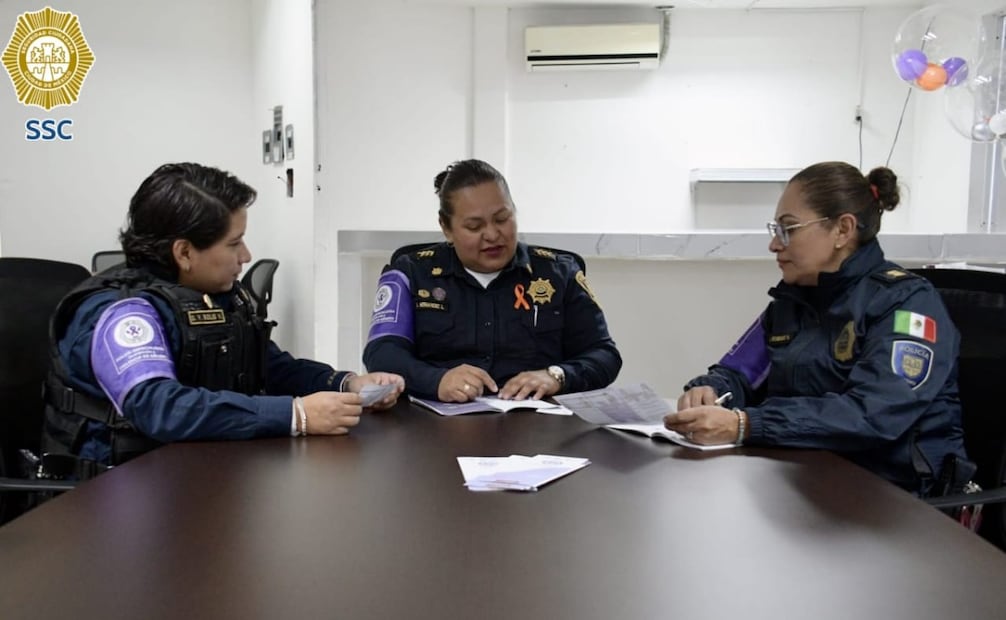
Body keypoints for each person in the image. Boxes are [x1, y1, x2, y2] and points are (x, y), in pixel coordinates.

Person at [42, 163, 404, 469]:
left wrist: (344, 383)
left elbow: (269, 365)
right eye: (233, 243)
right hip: (117, 496)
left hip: (204, 476)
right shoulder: (123, 312)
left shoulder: (215, 295)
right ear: (184, 253)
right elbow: (159, 407)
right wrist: (295, 415)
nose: (246, 255)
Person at [665, 161, 970, 495]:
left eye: (789, 229)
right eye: (775, 230)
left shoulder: (908, 304)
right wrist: (709, 390)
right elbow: (738, 373)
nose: (774, 245)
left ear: (843, 229)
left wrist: (746, 425)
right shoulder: (793, 302)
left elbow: (871, 415)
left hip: (893, 504)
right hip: (806, 488)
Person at [362, 158, 622, 402]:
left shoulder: (558, 273)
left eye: (502, 219)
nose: (492, 235)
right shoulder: (412, 272)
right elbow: (381, 354)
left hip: (538, 429)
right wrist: (436, 380)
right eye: (474, 227)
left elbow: (604, 355)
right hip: (437, 428)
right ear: (446, 228)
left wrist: (557, 375)